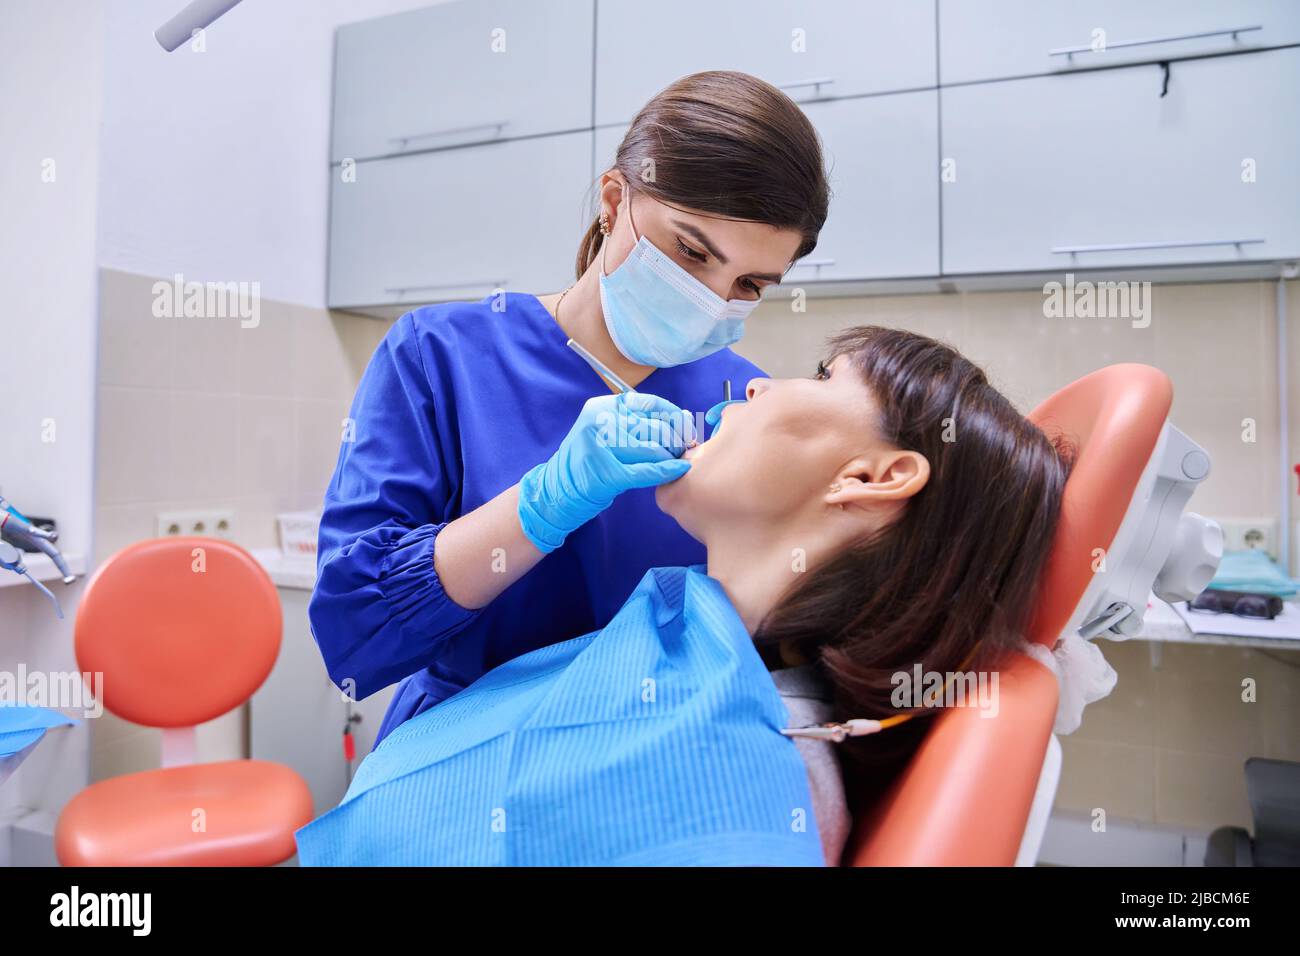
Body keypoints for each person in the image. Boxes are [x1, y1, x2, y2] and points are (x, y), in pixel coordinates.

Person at [295, 327, 1072, 866]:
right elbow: (357, 633)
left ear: (872, 478)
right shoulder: (686, 636)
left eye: (826, 377)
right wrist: (543, 501)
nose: (758, 381)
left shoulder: (744, 788)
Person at [308, 72, 830, 745]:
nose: (712, 296)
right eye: (691, 251)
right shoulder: (440, 355)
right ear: (615, 200)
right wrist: (544, 503)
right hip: (456, 759)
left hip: (641, 766)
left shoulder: (744, 403)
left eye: (750, 284)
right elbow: (355, 635)